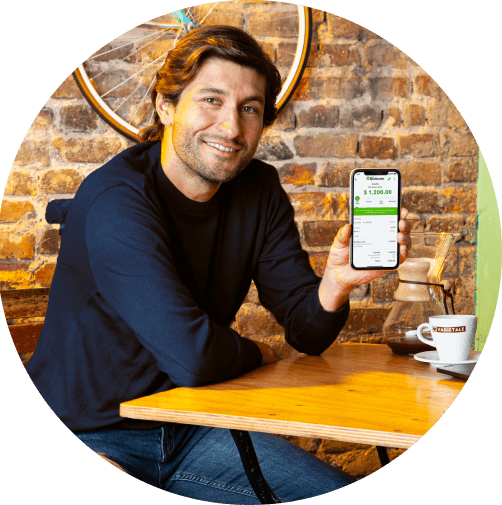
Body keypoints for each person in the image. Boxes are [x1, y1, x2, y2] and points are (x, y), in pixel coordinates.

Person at [27, 25, 411, 502]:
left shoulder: (258, 190)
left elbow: (307, 334)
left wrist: (334, 285)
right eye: (211, 100)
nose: (231, 127)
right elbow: (194, 356)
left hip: (195, 425)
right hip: (93, 433)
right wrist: (259, 352)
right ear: (166, 108)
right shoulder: (116, 199)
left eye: (249, 108)